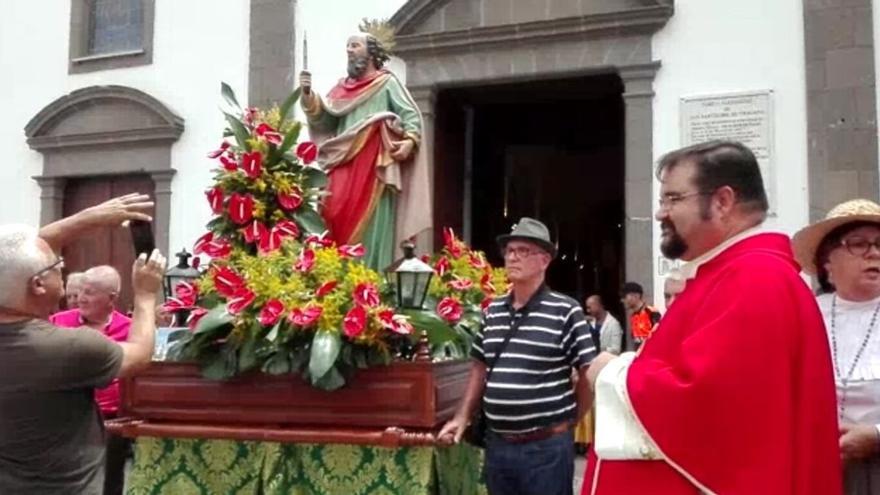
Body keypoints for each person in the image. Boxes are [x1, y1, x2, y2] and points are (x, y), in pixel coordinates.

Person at [582, 141, 842, 494]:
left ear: (722, 201)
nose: (660, 213)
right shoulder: (728, 274)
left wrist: (611, 373)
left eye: (673, 199)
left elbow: (711, 404)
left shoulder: (755, 278)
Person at [0, 193, 165, 494]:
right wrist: (144, 294)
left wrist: (91, 216)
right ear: (38, 285)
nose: (63, 275)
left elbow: (15, 257)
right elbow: (139, 356)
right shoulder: (64, 347)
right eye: (56, 268)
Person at [438, 217, 596, 495]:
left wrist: (572, 418)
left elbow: (588, 371)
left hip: (546, 449)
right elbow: (479, 366)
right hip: (499, 446)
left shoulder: (565, 311)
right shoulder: (493, 310)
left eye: (523, 251)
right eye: (509, 251)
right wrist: (462, 416)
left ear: (544, 260)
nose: (512, 257)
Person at [299, 23, 430, 269]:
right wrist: (308, 96)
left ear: (371, 53)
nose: (349, 51)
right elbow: (326, 118)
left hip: (374, 167)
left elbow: (411, 115)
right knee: (331, 210)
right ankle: (336, 277)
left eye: (355, 45)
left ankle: (371, 278)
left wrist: (409, 141)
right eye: (348, 46)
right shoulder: (340, 88)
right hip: (342, 161)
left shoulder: (386, 84)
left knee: (373, 223)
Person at [792, 198, 880, 493]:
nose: (874, 254)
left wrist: (876, 435)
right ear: (827, 260)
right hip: (814, 465)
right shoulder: (802, 314)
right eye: (859, 244)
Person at [50, 266, 131, 495]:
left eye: (90, 293)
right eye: (80, 291)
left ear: (111, 298)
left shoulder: (129, 329)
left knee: (110, 481)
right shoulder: (57, 322)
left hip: (112, 420)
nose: (82, 299)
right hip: (65, 417)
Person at [621, 282, 660, 348]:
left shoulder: (651, 312)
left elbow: (660, 336)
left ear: (636, 296)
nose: (622, 300)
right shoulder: (633, 316)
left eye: (624, 296)